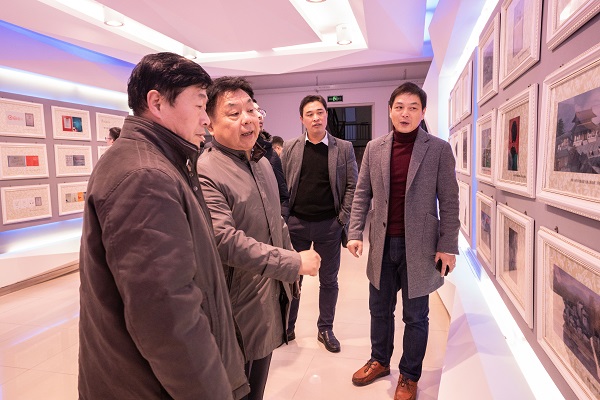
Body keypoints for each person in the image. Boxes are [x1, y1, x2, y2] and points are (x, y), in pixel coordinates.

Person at [78, 52, 249, 400]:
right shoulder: (145, 176)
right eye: (199, 104)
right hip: (147, 386)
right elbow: (167, 315)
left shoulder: (157, 162)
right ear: (157, 102)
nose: (205, 119)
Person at [197, 76, 321, 400]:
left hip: (267, 296)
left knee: (258, 382)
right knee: (234, 388)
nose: (247, 119)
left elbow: (276, 221)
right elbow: (225, 241)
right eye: (233, 113)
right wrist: (292, 262)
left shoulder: (262, 163)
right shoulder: (206, 170)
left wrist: (291, 270)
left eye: (251, 110)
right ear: (210, 123)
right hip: (234, 305)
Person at [346, 82, 459, 400]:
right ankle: (380, 360)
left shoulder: (438, 149)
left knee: (416, 315)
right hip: (382, 245)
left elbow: (450, 201)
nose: (405, 113)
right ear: (390, 110)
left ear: (423, 113)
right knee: (379, 309)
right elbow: (362, 193)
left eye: (412, 107)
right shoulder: (375, 148)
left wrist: (447, 246)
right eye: (399, 107)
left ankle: (409, 375)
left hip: (420, 248)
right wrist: (354, 232)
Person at [281, 94, 358, 352]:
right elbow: (282, 185)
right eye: (310, 114)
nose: (315, 118)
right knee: (293, 278)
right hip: (297, 225)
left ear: (326, 115)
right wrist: (285, 218)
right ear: (301, 119)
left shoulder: (343, 148)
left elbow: (352, 185)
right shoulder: (290, 148)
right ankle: (287, 327)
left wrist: (341, 219)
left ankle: (325, 328)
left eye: (320, 112)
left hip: (329, 226)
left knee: (329, 280)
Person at [253, 100, 290, 220]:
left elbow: (282, 194)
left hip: (273, 223)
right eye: (252, 111)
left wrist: (282, 221)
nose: (259, 116)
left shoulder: (270, 153)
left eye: (260, 111)